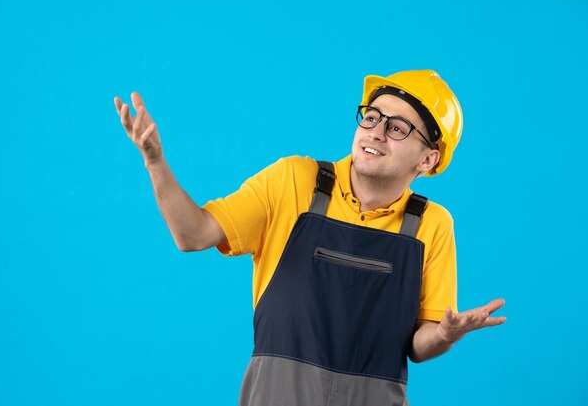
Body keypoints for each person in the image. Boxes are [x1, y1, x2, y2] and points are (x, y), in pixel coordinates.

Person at [114, 70, 506, 406]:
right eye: (371, 117)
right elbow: (193, 234)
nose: (376, 133)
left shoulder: (431, 225)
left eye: (398, 127)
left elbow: (419, 347)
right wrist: (155, 161)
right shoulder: (293, 182)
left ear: (428, 158)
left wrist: (443, 335)